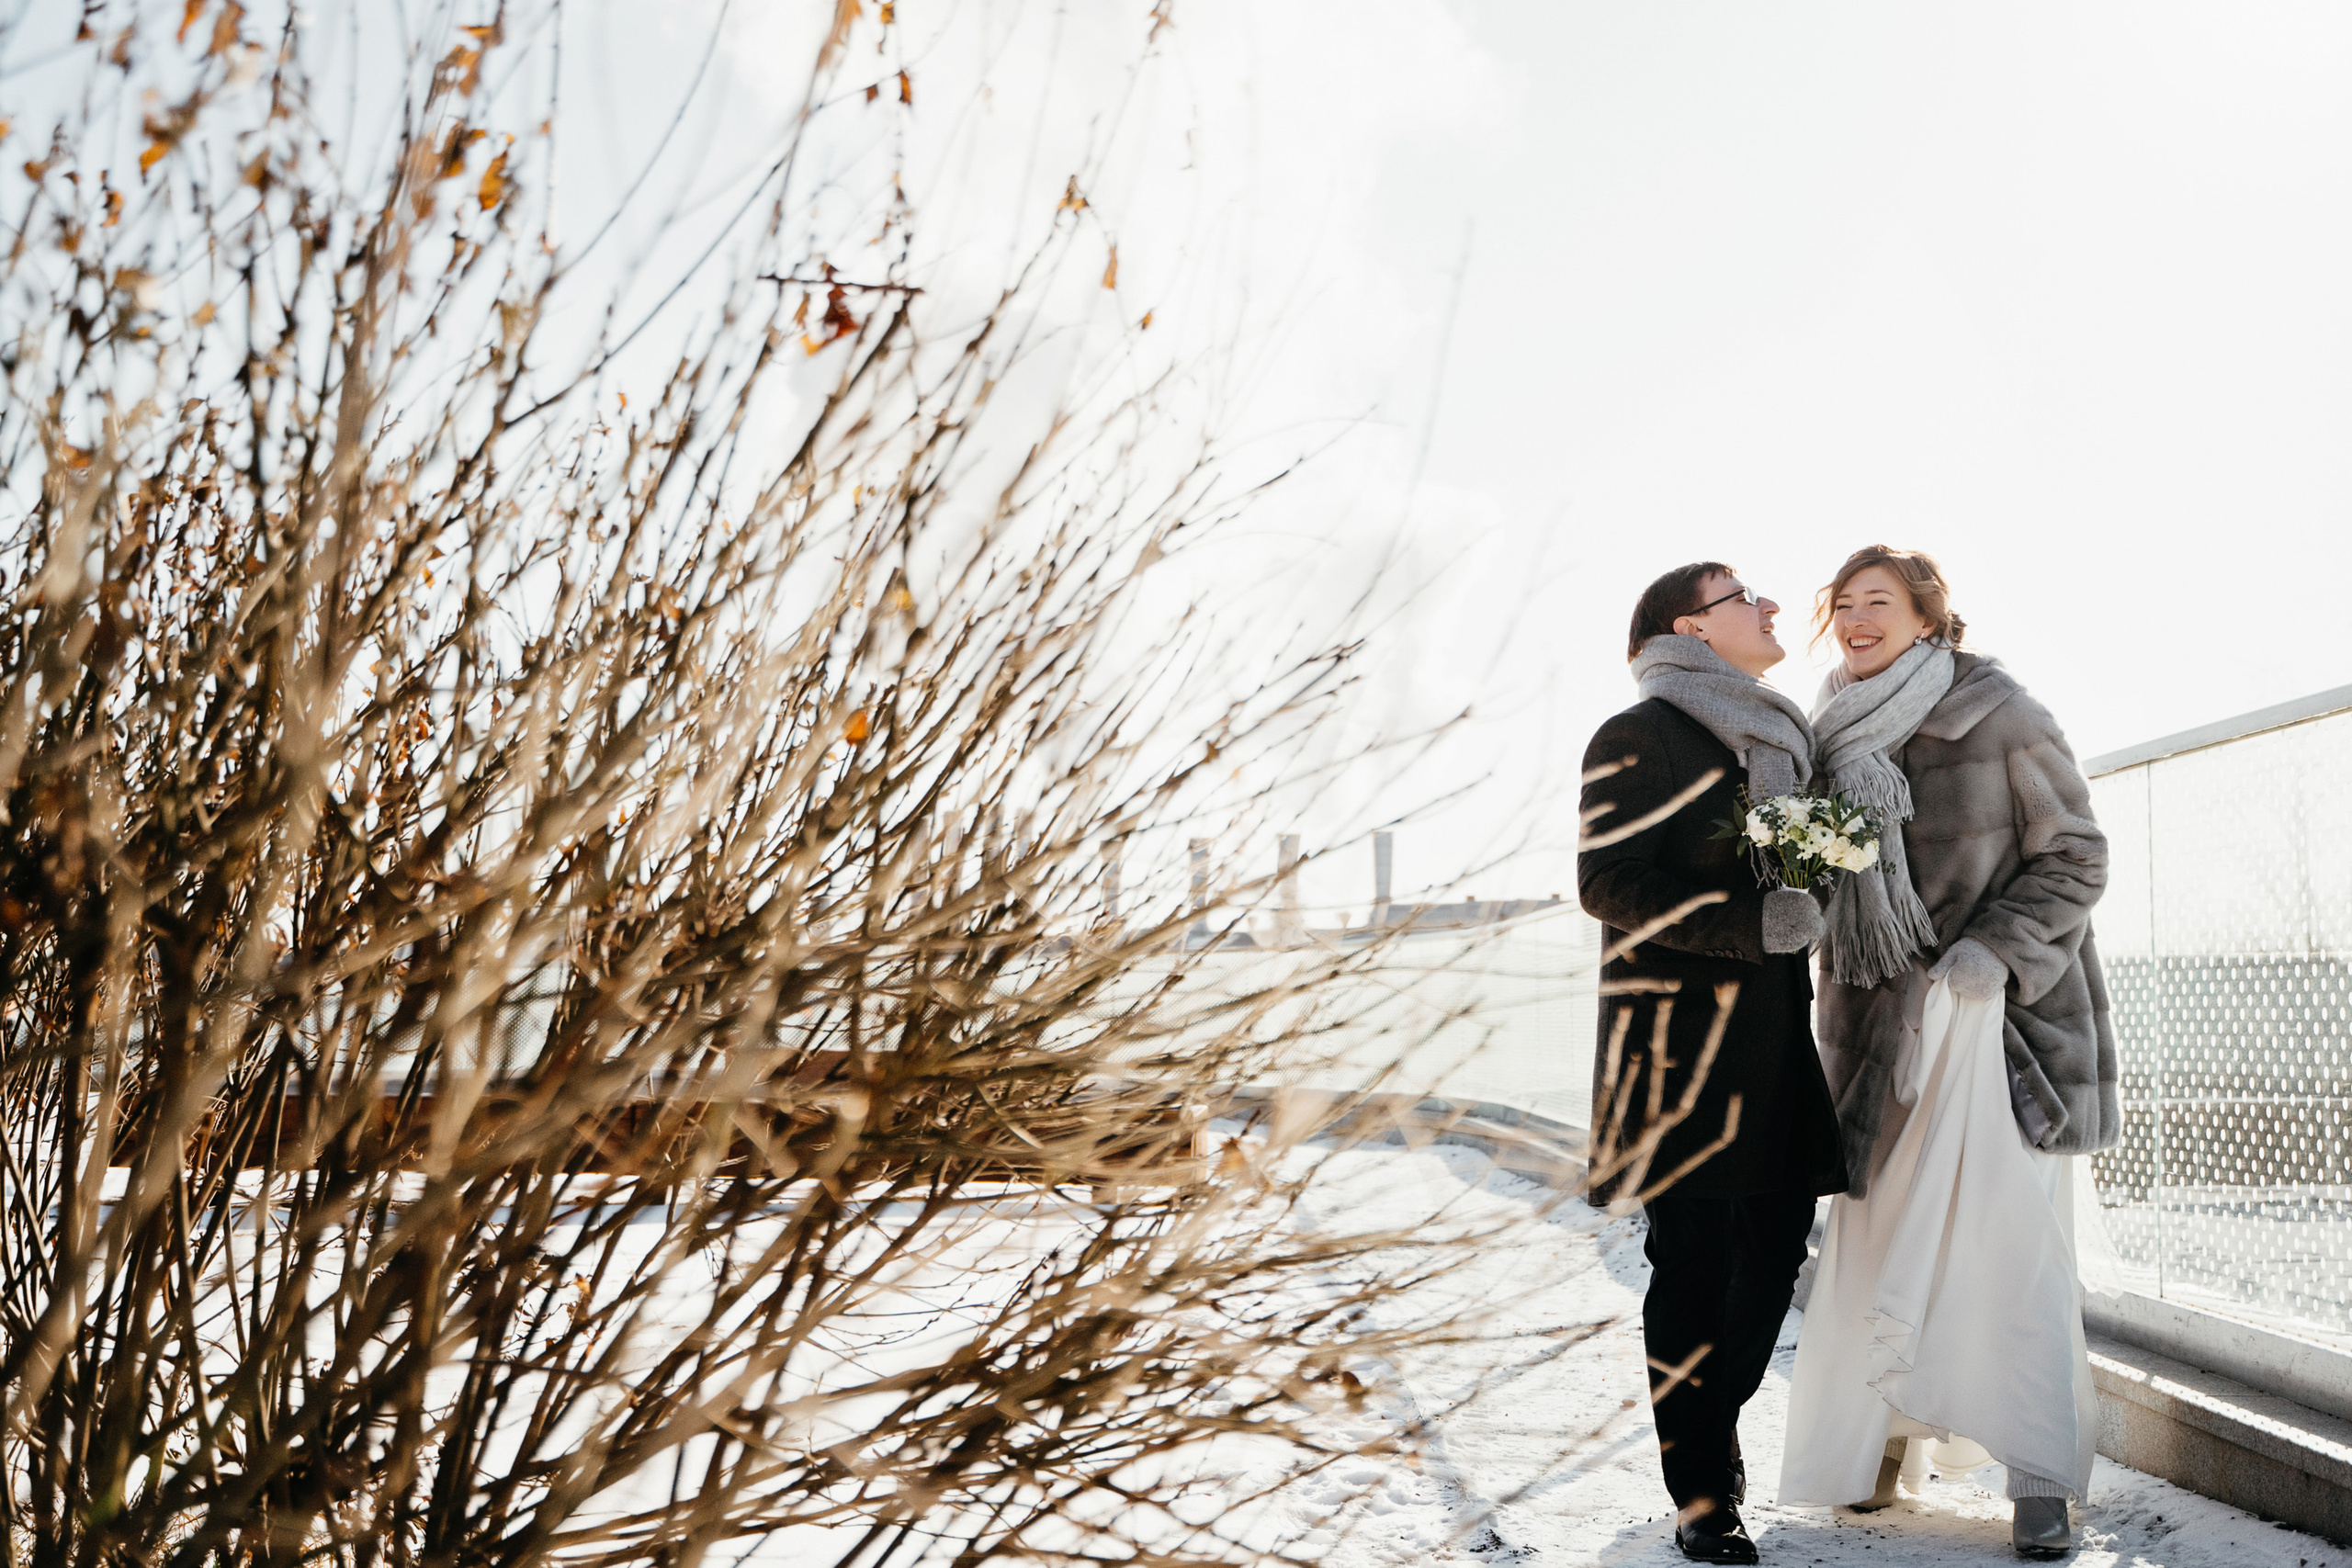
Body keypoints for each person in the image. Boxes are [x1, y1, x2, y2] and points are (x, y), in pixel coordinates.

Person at [1777, 547, 2118, 1561]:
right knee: (1877, 1238)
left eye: (1877, 602)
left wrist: (1991, 951)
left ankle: (2041, 1480)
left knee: (2008, 1252)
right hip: (1879, 1036)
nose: (1855, 619)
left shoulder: (1998, 714)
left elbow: (2078, 855)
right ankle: (1877, 1448)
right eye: (1842, 605)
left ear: (1929, 618)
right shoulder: (1825, 735)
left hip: (1990, 1027)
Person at [1579, 563, 1848, 1565]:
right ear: (1690, 626)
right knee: (1691, 1268)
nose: (1772, 607)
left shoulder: (1769, 735)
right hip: (1677, 1053)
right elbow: (1604, 881)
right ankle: (1700, 1493)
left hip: (1773, 1040)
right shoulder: (1636, 734)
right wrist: (1750, 922)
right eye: (1745, 596)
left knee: (1775, 1253)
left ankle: (1708, 1422)